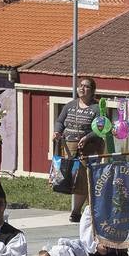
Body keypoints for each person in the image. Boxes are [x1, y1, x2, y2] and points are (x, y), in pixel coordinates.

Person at [55, 78, 100, 222]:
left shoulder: (97, 108)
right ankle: (81, 210)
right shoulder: (70, 105)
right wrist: (57, 132)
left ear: (92, 91)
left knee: (83, 180)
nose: (82, 88)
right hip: (68, 147)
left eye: (86, 87)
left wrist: (87, 137)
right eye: (80, 86)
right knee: (69, 178)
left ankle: (77, 212)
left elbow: (101, 127)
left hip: (88, 149)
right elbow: (60, 121)